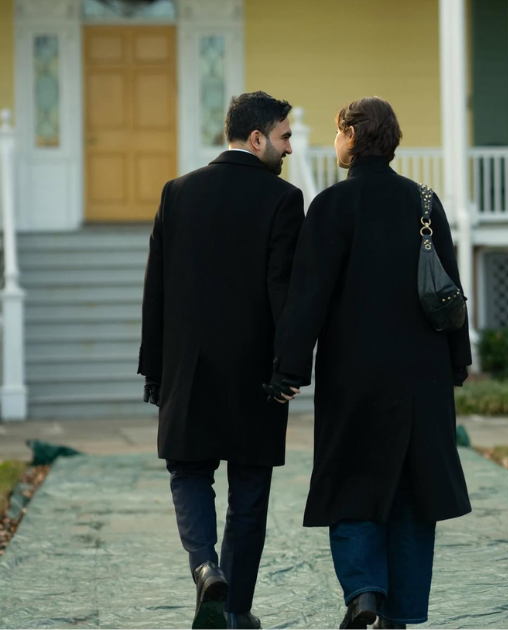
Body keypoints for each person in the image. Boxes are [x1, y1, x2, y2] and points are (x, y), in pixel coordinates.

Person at [264, 96, 472, 630]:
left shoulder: (332, 207)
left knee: (353, 485)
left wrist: (289, 369)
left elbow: (307, 297)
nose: (335, 143)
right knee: (411, 492)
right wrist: (457, 362)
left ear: (352, 137)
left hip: (355, 376)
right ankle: (398, 616)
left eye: (338, 133)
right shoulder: (426, 204)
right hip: (421, 374)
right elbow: (449, 291)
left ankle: (363, 597)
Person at [138, 91, 303, 629]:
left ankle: (205, 565)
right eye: (283, 136)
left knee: (189, 472)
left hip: (188, 366)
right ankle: (234, 612)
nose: (289, 147)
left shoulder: (177, 192)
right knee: (249, 492)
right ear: (256, 139)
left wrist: (154, 369)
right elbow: (284, 292)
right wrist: (290, 367)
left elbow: (155, 289)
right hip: (256, 373)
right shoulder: (283, 199)